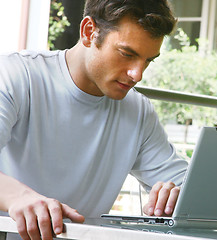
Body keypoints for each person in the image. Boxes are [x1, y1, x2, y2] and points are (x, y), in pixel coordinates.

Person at [0, 0, 188, 239]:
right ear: (89, 32)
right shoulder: (16, 75)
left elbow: (193, 188)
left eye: (148, 61)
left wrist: (177, 194)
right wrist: (21, 198)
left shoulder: (138, 111)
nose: (137, 74)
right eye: (127, 54)